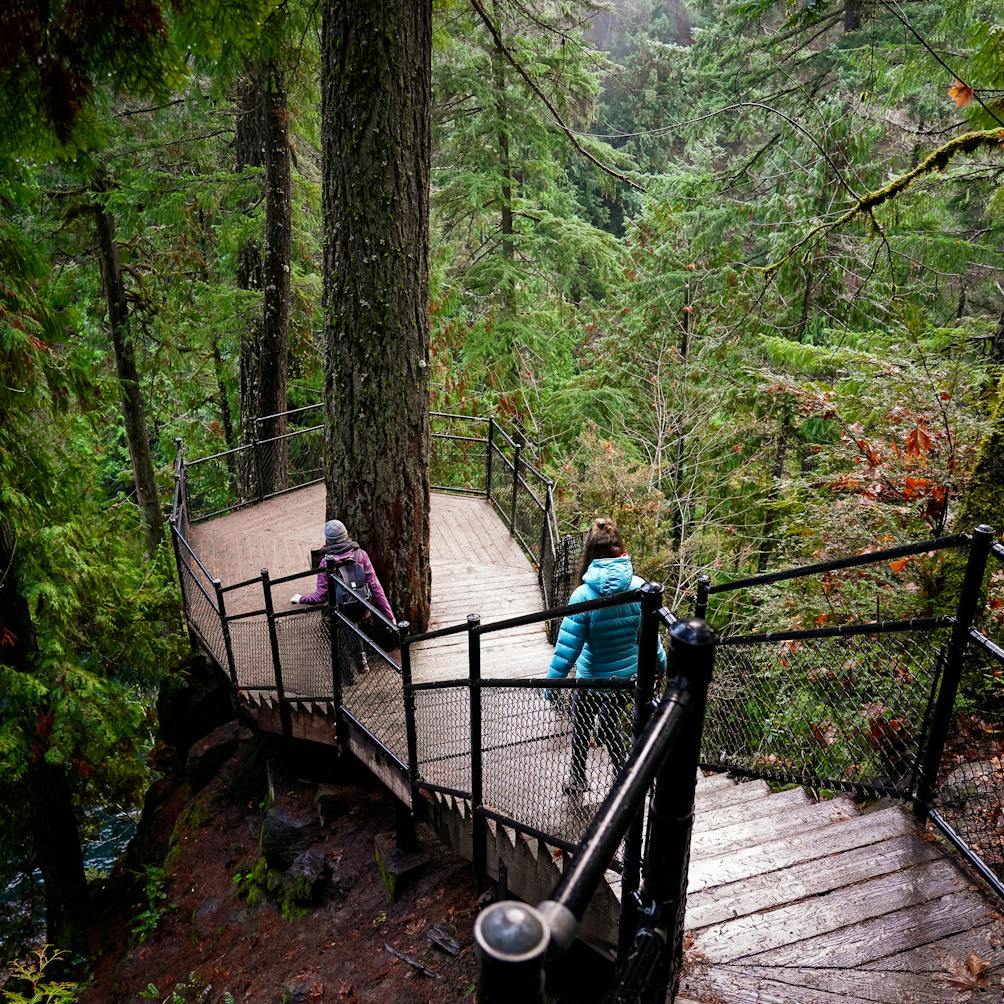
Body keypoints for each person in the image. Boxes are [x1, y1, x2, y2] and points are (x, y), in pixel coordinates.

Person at [546, 518, 666, 796]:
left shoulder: (583, 596)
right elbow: (650, 639)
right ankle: (624, 778)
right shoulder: (640, 589)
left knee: (582, 727)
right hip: (627, 679)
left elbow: (567, 648)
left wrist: (554, 683)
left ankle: (578, 779)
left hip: (591, 679)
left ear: (591, 555)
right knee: (610, 725)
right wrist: (662, 665)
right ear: (621, 550)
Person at [290, 520, 396, 674]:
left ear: (328, 540)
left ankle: (347, 670)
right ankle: (362, 658)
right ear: (346, 535)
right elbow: (375, 587)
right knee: (356, 624)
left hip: (340, 612)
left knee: (342, 631)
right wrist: (389, 617)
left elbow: (320, 596)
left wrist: (300, 598)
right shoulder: (360, 555)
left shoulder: (326, 562)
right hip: (362, 607)